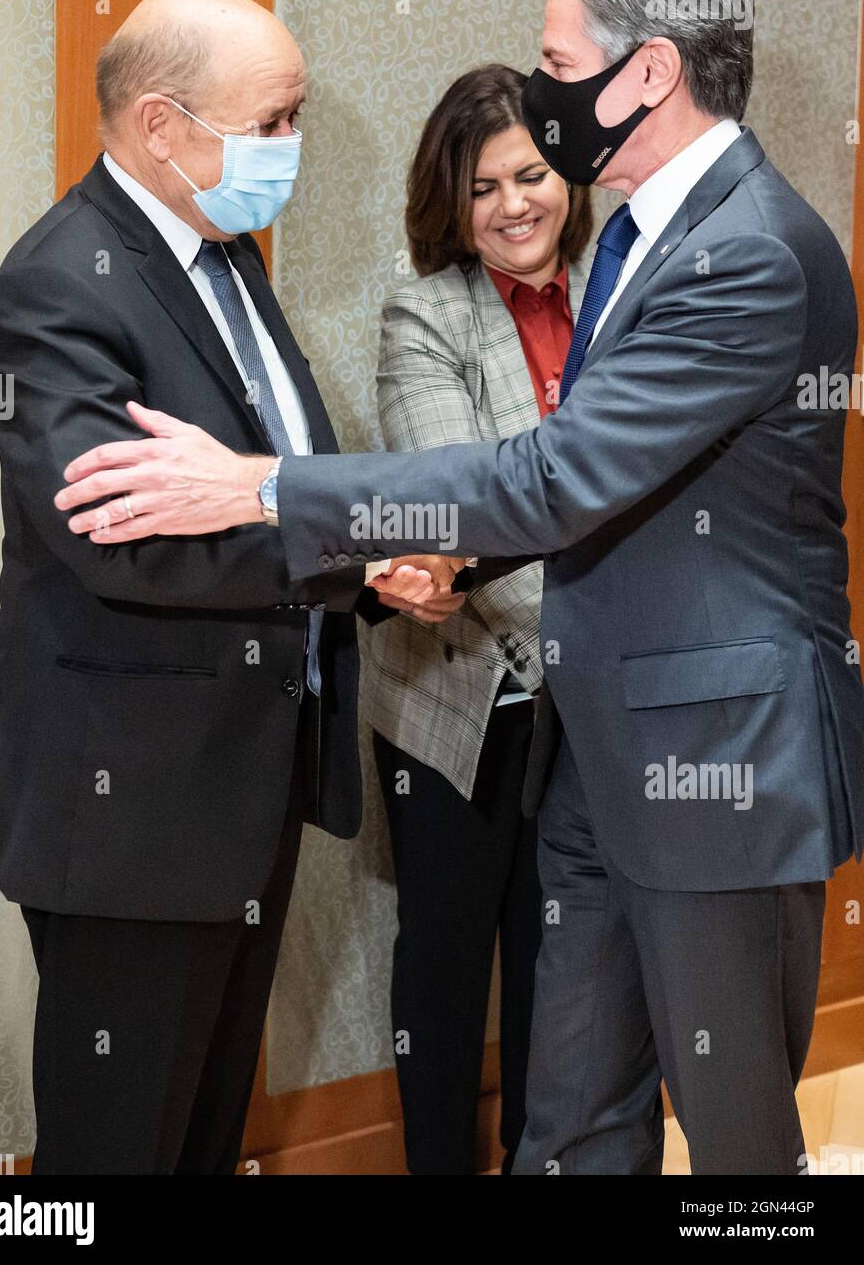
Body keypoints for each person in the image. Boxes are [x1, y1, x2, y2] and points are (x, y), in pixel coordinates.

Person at [55, 0, 864, 1175]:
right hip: (598, 757)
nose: (542, 100)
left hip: (720, 762)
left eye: (557, 59)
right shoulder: (647, 231)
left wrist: (265, 487)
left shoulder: (746, 249)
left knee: (739, 1134)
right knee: (571, 1119)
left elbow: (554, 478)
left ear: (645, 72)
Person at [0, 0, 446, 1175]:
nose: (290, 150)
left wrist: (363, 553)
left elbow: (270, 473)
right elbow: (123, 534)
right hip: (131, 809)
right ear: (160, 125)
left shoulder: (219, 257)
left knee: (199, 1130)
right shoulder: (59, 286)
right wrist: (348, 550)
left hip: (236, 786)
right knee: (115, 1149)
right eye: (274, 121)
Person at [363, 63, 592, 1174]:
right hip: (459, 696)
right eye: (484, 185)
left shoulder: (619, 290)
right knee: (446, 969)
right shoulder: (424, 310)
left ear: (569, 176)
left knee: (564, 963)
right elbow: (461, 498)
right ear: (451, 201)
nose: (513, 204)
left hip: (588, 703)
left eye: (533, 174)